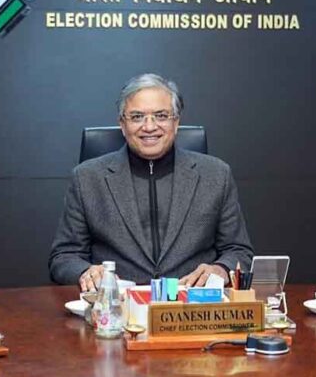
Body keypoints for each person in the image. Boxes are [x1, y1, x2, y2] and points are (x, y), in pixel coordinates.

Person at [49, 73, 253, 291]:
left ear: (176, 122)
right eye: (137, 117)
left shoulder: (216, 174)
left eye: (161, 115)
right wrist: (85, 272)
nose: (149, 127)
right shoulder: (87, 178)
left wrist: (221, 269)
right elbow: (64, 257)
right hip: (118, 305)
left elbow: (239, 251)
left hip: (191, 305)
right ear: (122, 124)